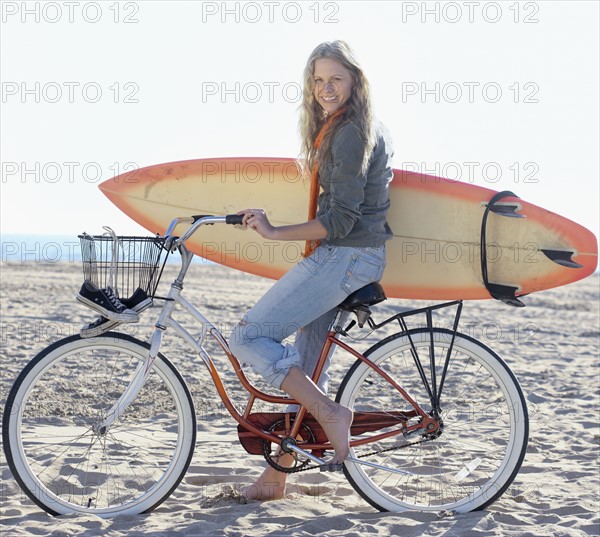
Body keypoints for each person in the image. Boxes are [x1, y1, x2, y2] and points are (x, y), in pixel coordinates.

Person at [229, 40, 394, 501]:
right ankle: (275, 478)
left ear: (355, 81)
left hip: (345, 256)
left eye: (335, 78)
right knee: (302, 368)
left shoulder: (350, 132)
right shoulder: (349, 127)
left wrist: (274, 231)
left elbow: (341, 218)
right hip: (354, 255)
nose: (325, 88)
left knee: (247, 337)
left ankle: (332, 414)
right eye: (318, 80)